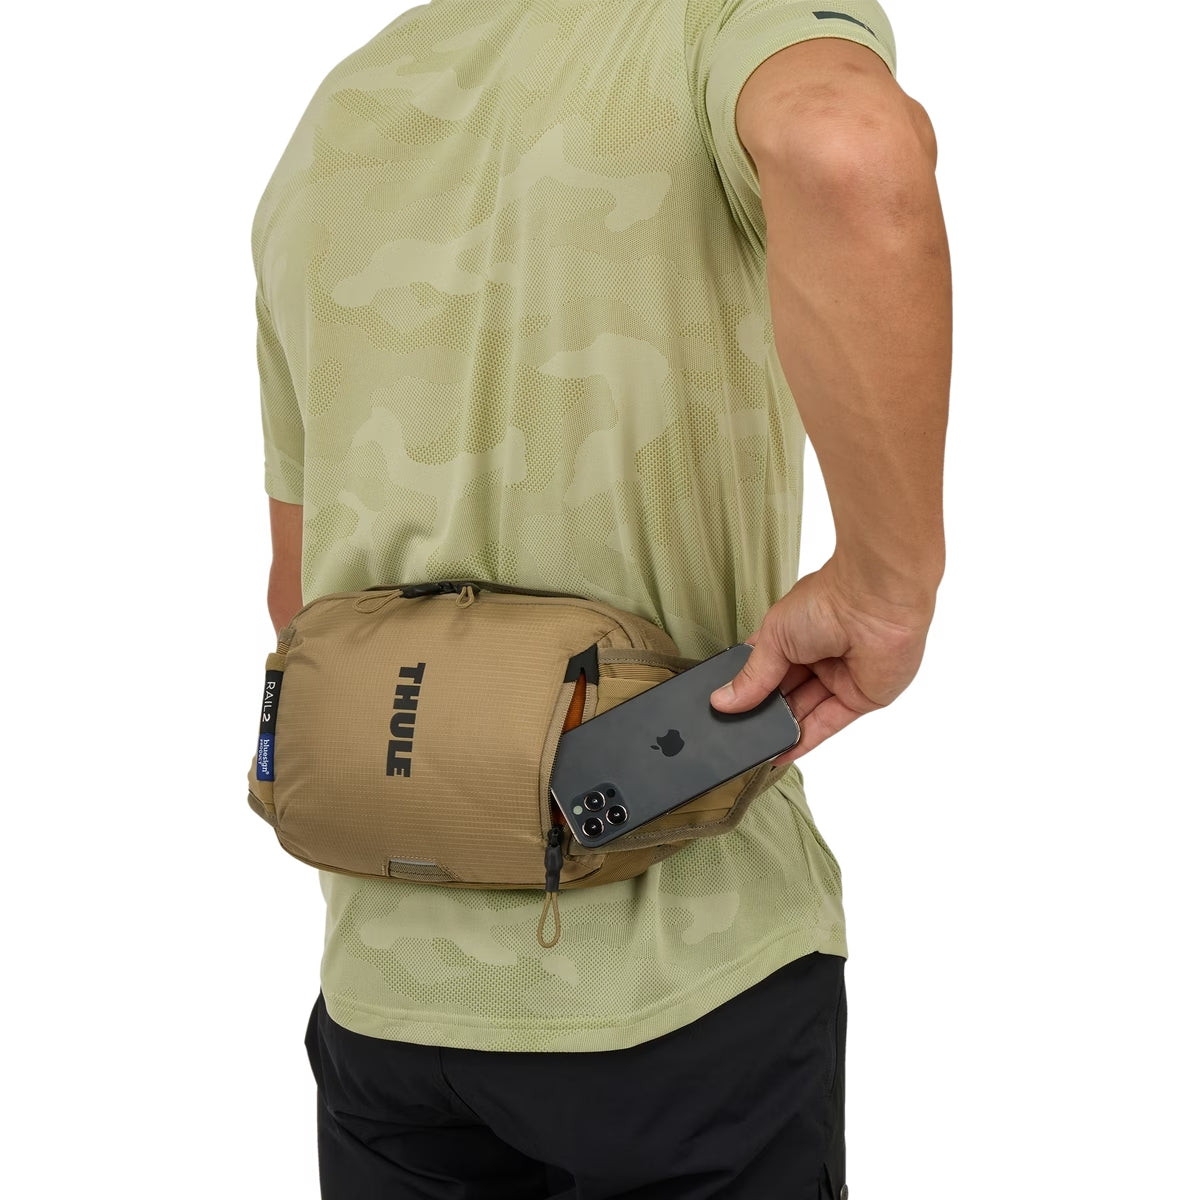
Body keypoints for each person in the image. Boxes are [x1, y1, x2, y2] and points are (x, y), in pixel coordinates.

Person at [251, 0, 949, 1195]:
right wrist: (889, 585)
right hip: (679, 984)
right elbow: (845, 144)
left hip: (387, 1002)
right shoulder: (723, 23)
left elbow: (299, 601)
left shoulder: (340, 108)